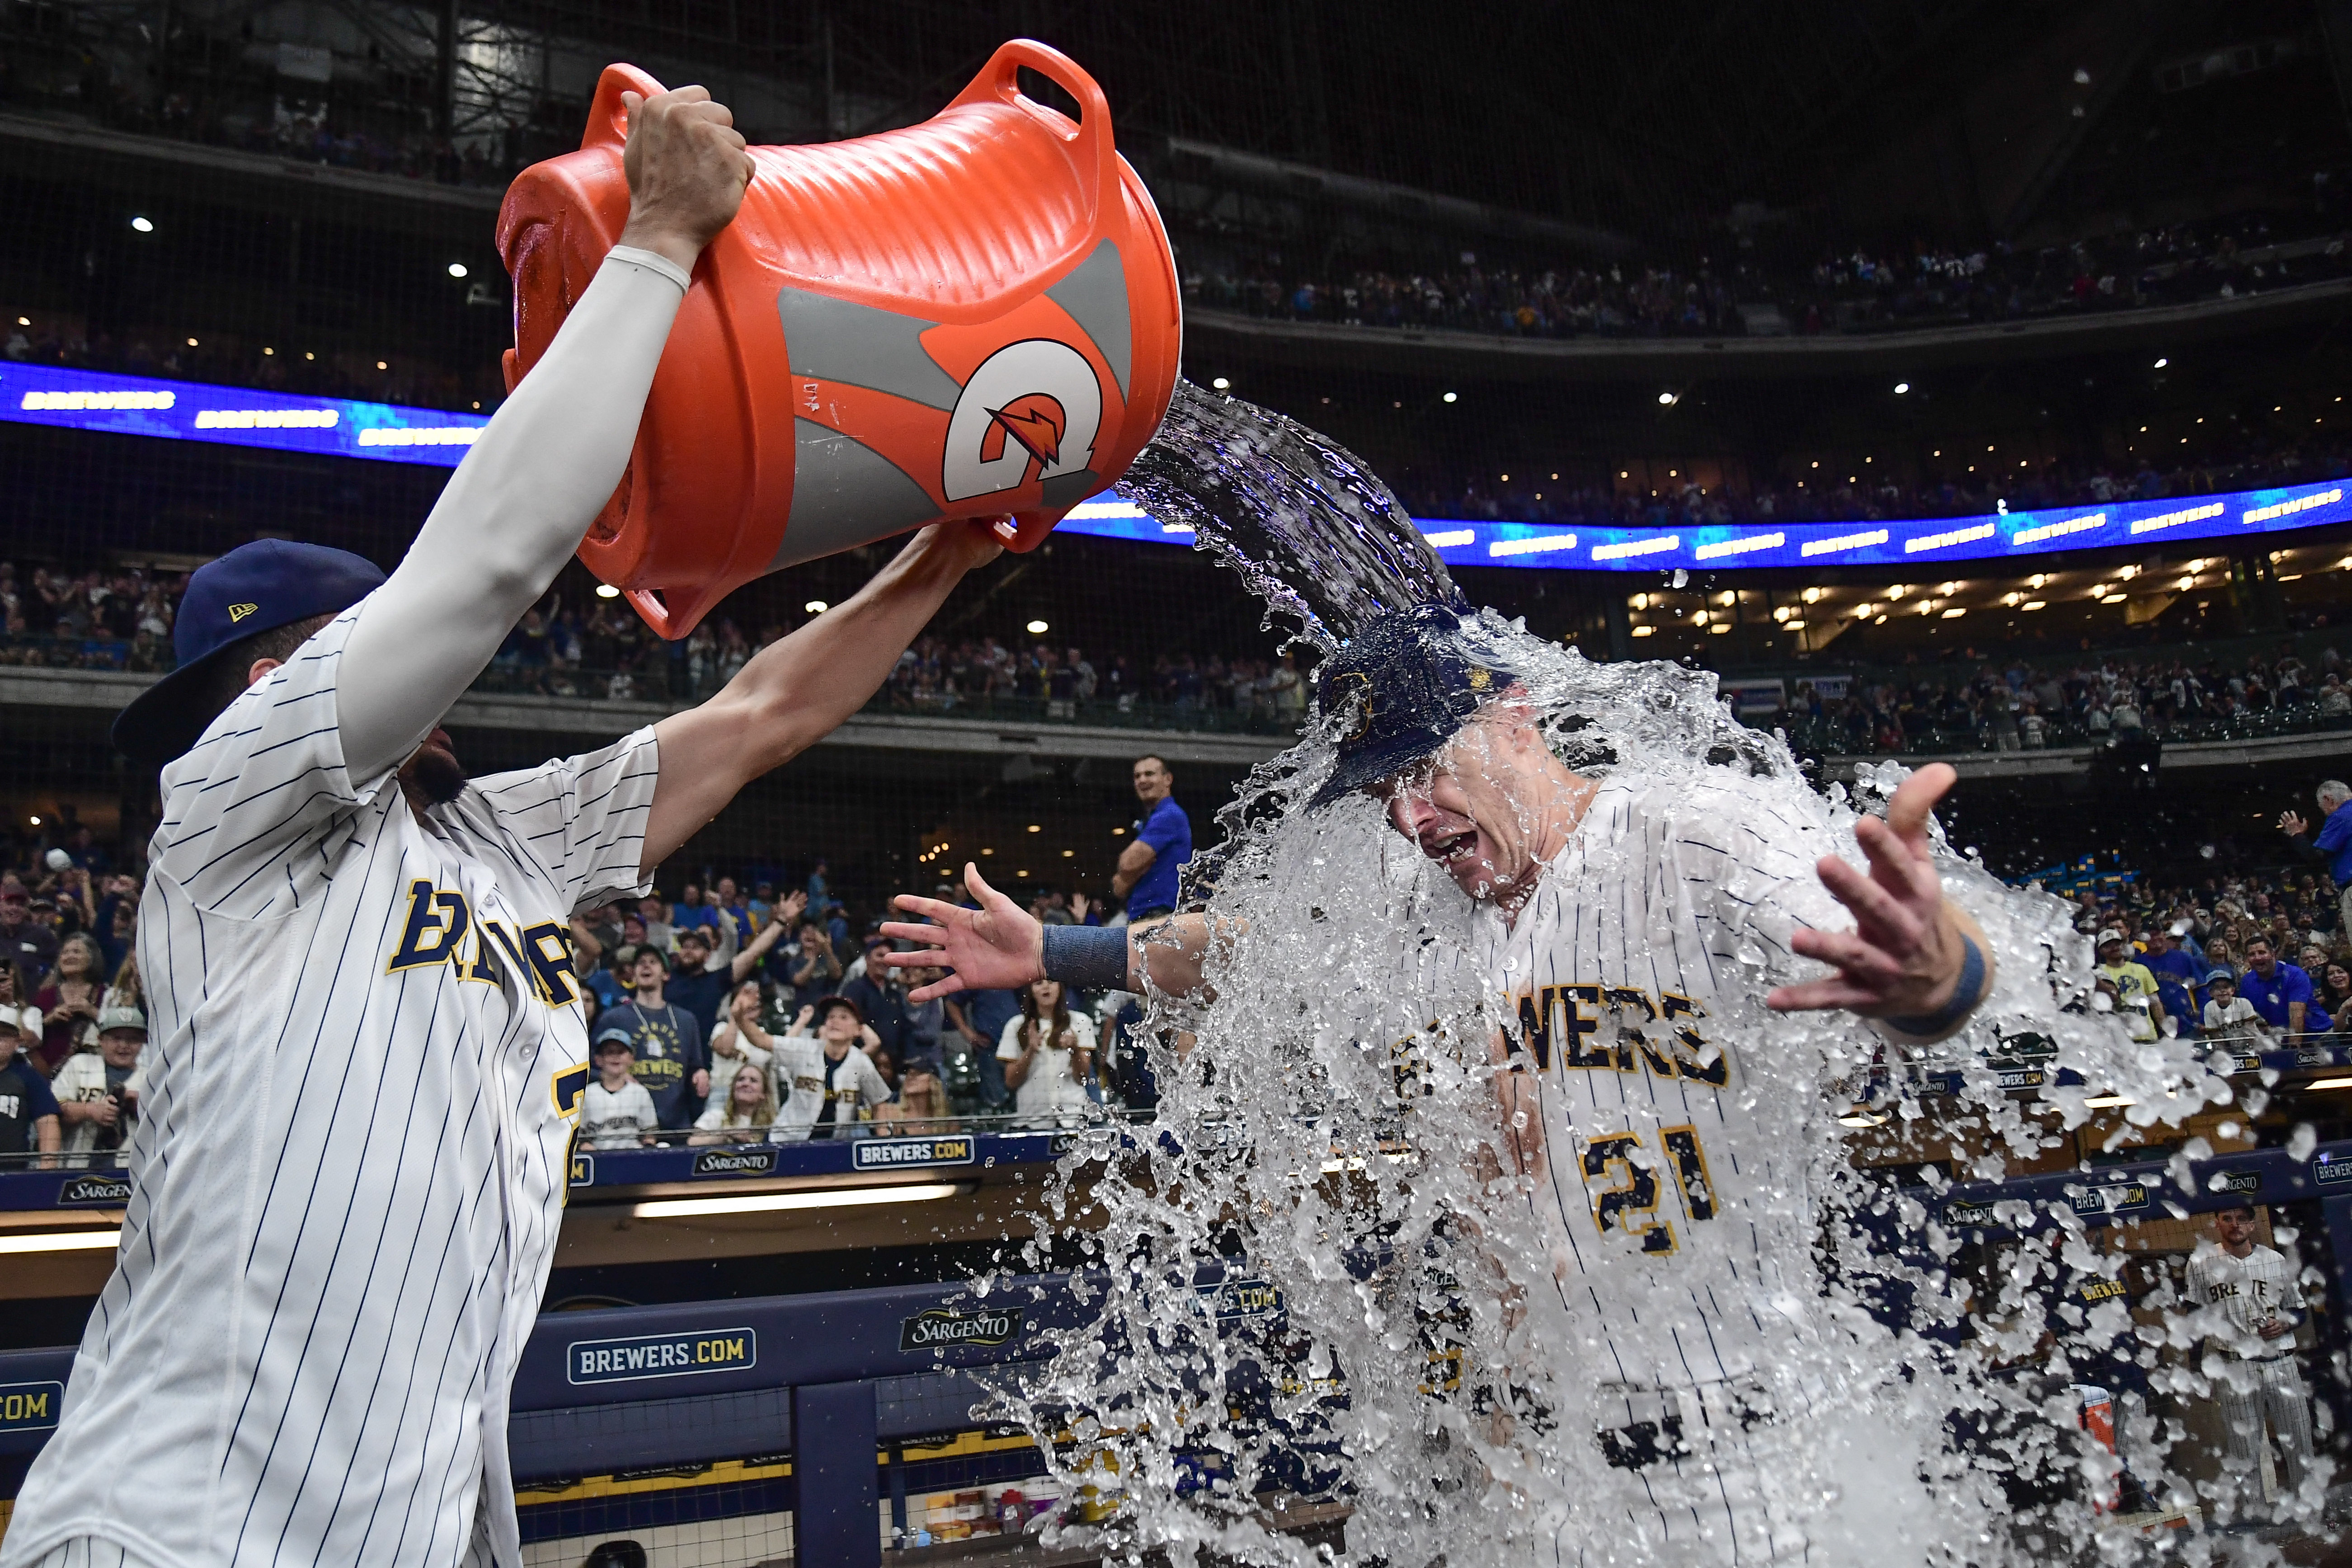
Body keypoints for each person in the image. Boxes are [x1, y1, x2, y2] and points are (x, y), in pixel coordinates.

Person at [1, 83, 1006, 1568]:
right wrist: (656, 242)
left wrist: (951, 548)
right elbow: (478, 567)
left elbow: (759, 716)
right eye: (359, 635)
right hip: (173, 1528)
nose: (429, 669)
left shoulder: (501, 838)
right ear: (274, 675)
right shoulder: (228, 810)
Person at [885, 601, 2001, 1562]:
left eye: (1424, 769)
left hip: (1747, 1466)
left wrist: (1934, 975)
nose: (1410, 818)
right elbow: (1241, 947)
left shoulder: (1694, 832)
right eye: (1381, 794)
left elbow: (1918, 955)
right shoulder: (1426, 906)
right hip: (1547, 1478)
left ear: (1514, 714)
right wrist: (1056, 954)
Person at [2183, 1203, 2315, 1508]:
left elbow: (2299, 1310)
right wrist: (2197, 1368)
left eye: (2242, 1219)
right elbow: (2194, 1317)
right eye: (2228, 1218)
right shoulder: (2202, 1261)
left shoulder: (2275, 1260)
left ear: (2253, 1225)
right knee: (2244, 1449)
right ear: (2217, 1222)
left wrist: (2284, 1323)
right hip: (2234, 1366)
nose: (2235, 1224)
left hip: (2281, 1362)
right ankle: (2255, 1519)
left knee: (2299, 1438)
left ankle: (2308, 1508)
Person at [597, 946, 709, 1133]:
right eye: (641, 963)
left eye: (653, 962)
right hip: (627, 1124)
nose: (646, 967)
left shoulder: (686, 1020)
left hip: (675, 1123)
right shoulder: (613, 1018)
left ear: (666, 975)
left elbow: (695, 1066)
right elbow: (592, 1065)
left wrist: (701, 1074)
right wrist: (616, 1075)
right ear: (633, 975)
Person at [773, 995, 894, 1140]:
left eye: (843, 1018)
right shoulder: (805, 1052)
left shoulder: (858, 1061)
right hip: (790, 1139)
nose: (834, 1022)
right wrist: (802, 1021)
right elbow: (784, 1046)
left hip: (833, 1143)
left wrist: (884, 1141)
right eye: (830, 1018)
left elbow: (874, 1043)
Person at [52, 1007, 146, 1163]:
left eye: (133, 1039)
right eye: (116, 1038)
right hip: (77, 1166)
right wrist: (90, 1110)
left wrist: (143, 1105)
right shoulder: (80, 1064)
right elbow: (53, 1112)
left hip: (130, 1171)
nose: (123, 1045)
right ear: (100, 1039)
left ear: (143, 1042)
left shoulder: (151, 1078)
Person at [997, 976, 1096, 1126]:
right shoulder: (1015, 1025)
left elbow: (1082, 1078)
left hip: (1073, 1118)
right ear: (1030, 991)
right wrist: (1031, 1050)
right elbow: (1011, 1082)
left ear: (1061, 988)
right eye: (1038, 984)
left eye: (1051, 982)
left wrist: (1075, 1050)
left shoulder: (1081, 1022)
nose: (1046, 987)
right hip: (1032, 1120)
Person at [1111, 754, 1191, 919]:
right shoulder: (1151, 819)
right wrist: (1139, 867)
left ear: (1168, 779)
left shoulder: (1169, 815)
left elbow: (1127, 864)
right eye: (1137, 776)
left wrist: (1129, 874)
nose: (1142, 780)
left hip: (1160, 917)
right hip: (1148, 916)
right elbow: (1118, 888)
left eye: (1149, 774)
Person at [2279, 780, 2352, 937]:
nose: (2324, 811)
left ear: (2328, 799)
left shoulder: (2342, 815)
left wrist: (2296, 835)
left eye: (2321, 807)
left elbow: (2316, 857)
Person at [33, 932, 106, 1074]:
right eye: (65, 953)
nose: (69, 957)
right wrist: (50, 1019)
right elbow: (29, 1036)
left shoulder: (106, 994)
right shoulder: (45, 996)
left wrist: (91, 1011)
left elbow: (118, 1029)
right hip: (49, 1072)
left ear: (92, 958)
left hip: (93, 1073)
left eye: (77, 952)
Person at [0, 1003, 59, 1165]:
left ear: (17, 1042)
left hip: (15, 1174)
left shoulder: (29, 1078)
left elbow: (47, 1121)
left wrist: (48, 1167)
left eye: (3, 1036)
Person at [2238, 936, 2329, 1035]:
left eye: (2262, 953)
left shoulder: (2295, 975)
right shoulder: (2247, 981)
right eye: (2252, 955)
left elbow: (2297, 1018)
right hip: (2280, 1040)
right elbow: (2250, 1018)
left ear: (2273, 954)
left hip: (2319, 1035)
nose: (2257, 958)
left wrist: (2294, 1049)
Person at [582, 1035, 659, 1149]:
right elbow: (580, 1138)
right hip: (598, 1155)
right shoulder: (588, 1093)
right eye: (610, 1052)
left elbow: (649, 1134)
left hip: (633, 1156)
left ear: (631, 1059)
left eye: (621, 1052)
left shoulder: (639, 1092)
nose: (616, 1057)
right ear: (598, 1060)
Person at [2093, 930, 2166, 1042]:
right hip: (2119, 1041)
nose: (2114, 948)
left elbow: (2155, 1003)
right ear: (2101, 951)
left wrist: (2165, 1030)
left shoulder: (2141, 969)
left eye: (2117, 944)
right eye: (2108, 946)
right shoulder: (2099, 973)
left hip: (2147, 1035)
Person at [690, 1061, 777, 1144]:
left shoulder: (773, 1125)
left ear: (764, 1093)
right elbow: (692, 1142)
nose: (746, 1084)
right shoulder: (715, 1116)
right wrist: (725, 1136)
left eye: (753, 1081)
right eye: (741, 1079)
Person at [2204, 973, 2270, 1041]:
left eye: (2226, 987)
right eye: (2217, 988)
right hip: (2230, 1047)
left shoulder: (2243, 1003)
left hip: (2255, 1042)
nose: (2222, 991)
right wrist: (2224, 1051)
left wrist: (2250, 1050)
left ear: (2233, 990)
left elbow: (2251, 1031)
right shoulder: (2209, 1008)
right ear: (2210, 993)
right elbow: (2217, 1036)